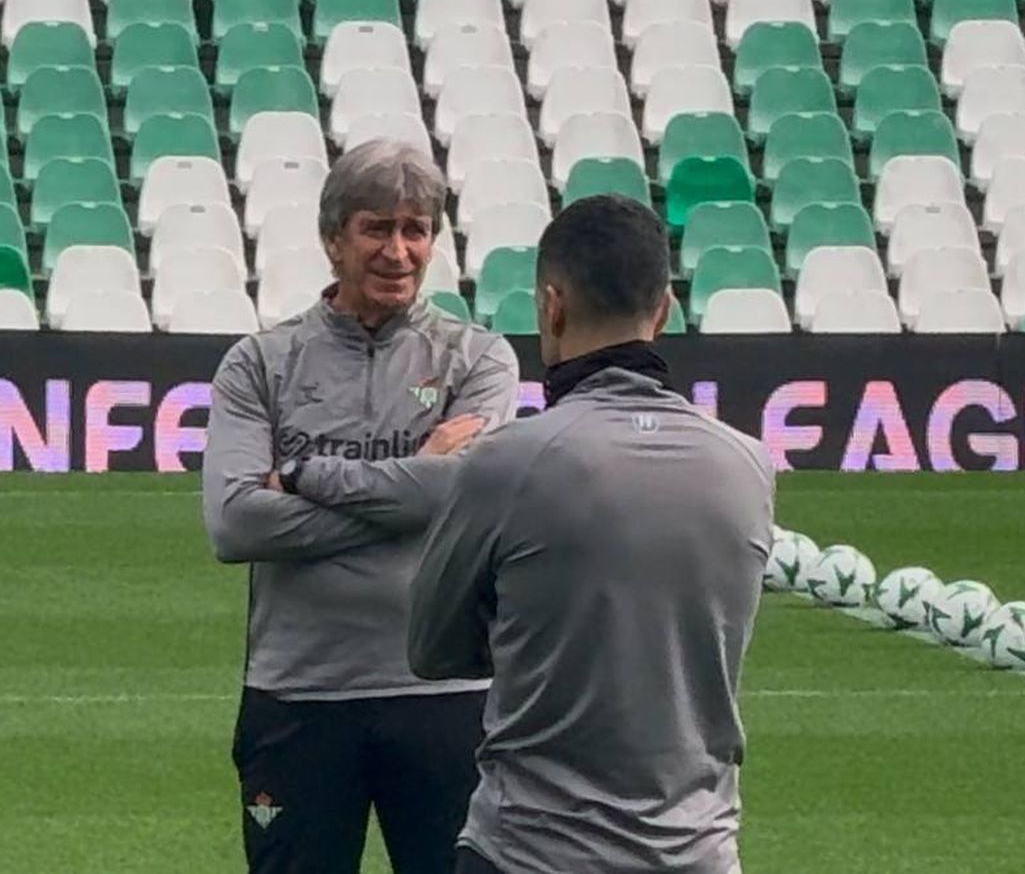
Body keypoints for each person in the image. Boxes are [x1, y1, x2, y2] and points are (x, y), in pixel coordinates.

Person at [408, 194, 775, 874]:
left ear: (551, 305)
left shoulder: (506, 461)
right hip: (695, 850)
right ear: (663, 308)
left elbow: (432, 649)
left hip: (531, 850)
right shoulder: (747, 464)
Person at [201, 139, 520, 873]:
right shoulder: (260, 362)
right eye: (377, 228)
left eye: (416, 230)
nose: (398, 251)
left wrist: (305, 473)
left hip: (448, 693)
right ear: (332, 239)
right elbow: (235, 523)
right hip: (297, 695)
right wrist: (416, 484)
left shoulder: (478, 359)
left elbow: (465, 494)